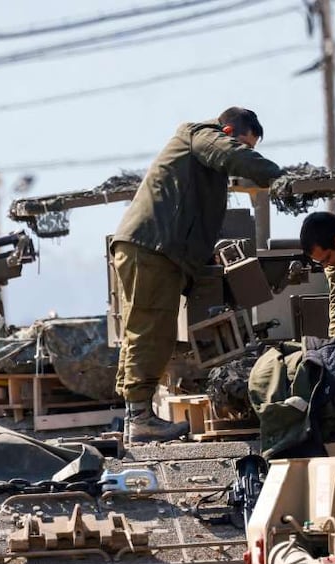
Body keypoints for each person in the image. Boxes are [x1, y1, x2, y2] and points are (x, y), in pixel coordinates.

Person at [110, 107, 284, 442]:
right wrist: (277, 176)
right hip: (153, 248)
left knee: (143, 329)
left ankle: (136, 412)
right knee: (152, 330)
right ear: (229, 130)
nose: (244, 155)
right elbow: (228, 153)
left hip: (153, 248)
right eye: (245, 146)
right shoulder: (198, 134)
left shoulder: (201, 156)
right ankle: (141, 418)